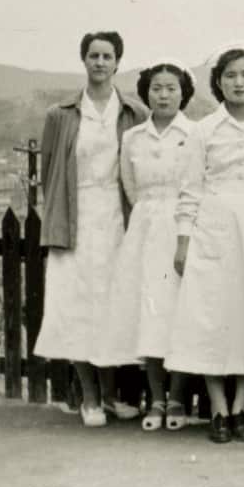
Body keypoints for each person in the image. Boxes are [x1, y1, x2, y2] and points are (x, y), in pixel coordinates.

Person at [34, 31, 148, 427]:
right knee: (79, 305)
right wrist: (60, 219)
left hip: (119, 218)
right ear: (83, 61)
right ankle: (90, 398)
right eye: (93, 55)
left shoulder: (134, 113)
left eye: (107, 56)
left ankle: (114, 395)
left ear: (118, 63)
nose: (100, 62)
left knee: (115, 303)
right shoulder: (61, 114)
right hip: (76, 218)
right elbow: (49, 172)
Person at [165, 40, 244, 443]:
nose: (239, 82)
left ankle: (242, 406)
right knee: (211, 315)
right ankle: (218, 407)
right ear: (218, 82)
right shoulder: (203, 130)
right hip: (213, 227)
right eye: (230, 75)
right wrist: (183, 241)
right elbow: (189, 190)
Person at [100, 58, 197, 431]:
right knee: (149, 315)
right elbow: (130, 186)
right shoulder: (133, 138)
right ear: (146, 93)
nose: (163, 94)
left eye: (171, 88)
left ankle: (177, 400)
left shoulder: (195, 133)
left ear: (183, 93)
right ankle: (155, 399)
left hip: (181, 228)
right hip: (144, 229)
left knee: (179, 314)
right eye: (156, 88)